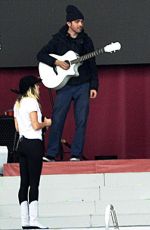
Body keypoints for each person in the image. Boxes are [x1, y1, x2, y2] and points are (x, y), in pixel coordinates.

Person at [37, 5, 99, 161]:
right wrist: (57, 62)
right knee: (57, 119)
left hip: (83, 84)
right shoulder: (58, 39)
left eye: (82, 22)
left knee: (81, 120)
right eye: (77, 21)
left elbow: (92, 64)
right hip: (64, 86)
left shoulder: (86, 41)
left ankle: (76, 155)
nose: (81, 25)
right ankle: (51, 154)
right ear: (69, 23)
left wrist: (94, 85)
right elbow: (41, 55)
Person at [13, 75, 51, 229]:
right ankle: (34, 220)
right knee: (34, 183)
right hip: (34, 144)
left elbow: (17, 127)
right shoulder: (32, 102)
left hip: (22, 144)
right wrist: (46, 123)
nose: (39, 87)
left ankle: (25, 220)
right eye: (37, 85)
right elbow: (36, 125)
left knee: (24, 183)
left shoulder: (18, 103)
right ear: (31, 88)